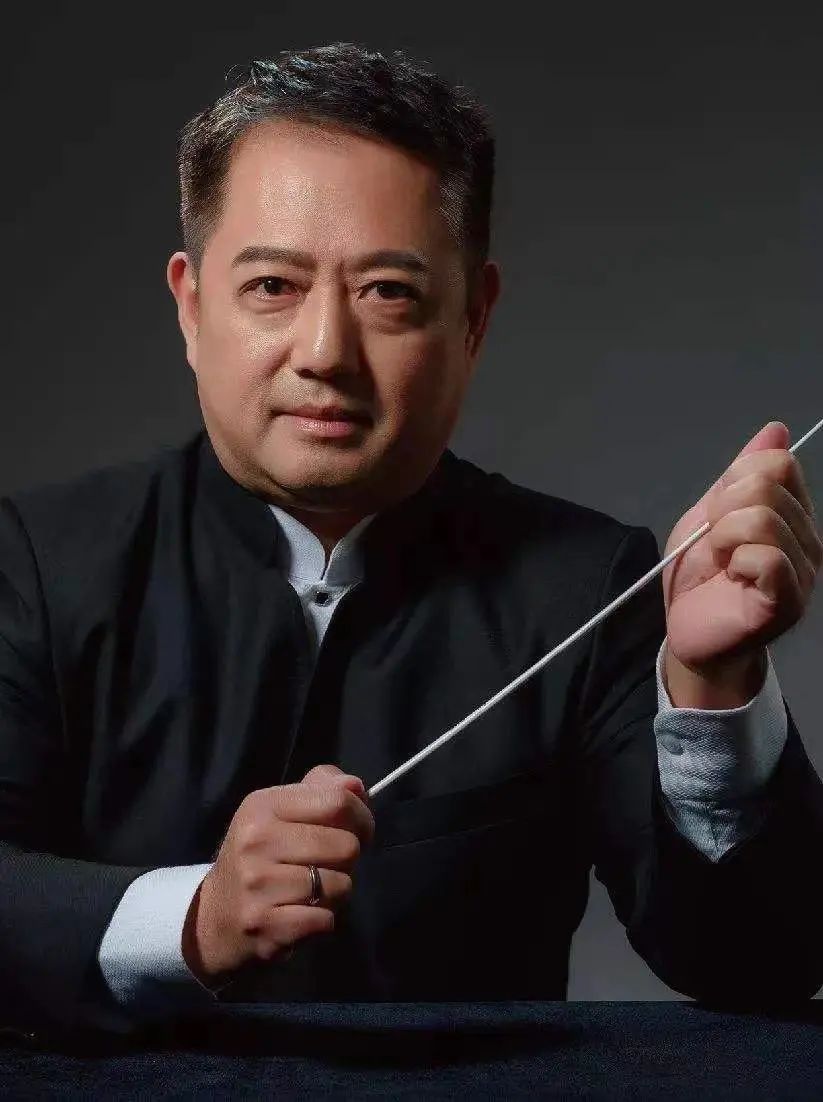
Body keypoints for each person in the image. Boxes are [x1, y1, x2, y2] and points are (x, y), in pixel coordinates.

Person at [2, 42, 822, 1042]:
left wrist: (712, 685)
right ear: (191, 305)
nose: (324, 354)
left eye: (387, 293)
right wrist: (191, 922)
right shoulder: (37, 563)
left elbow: (757, 962)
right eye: (273, 286)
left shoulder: (585, 583)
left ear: (473, 318)